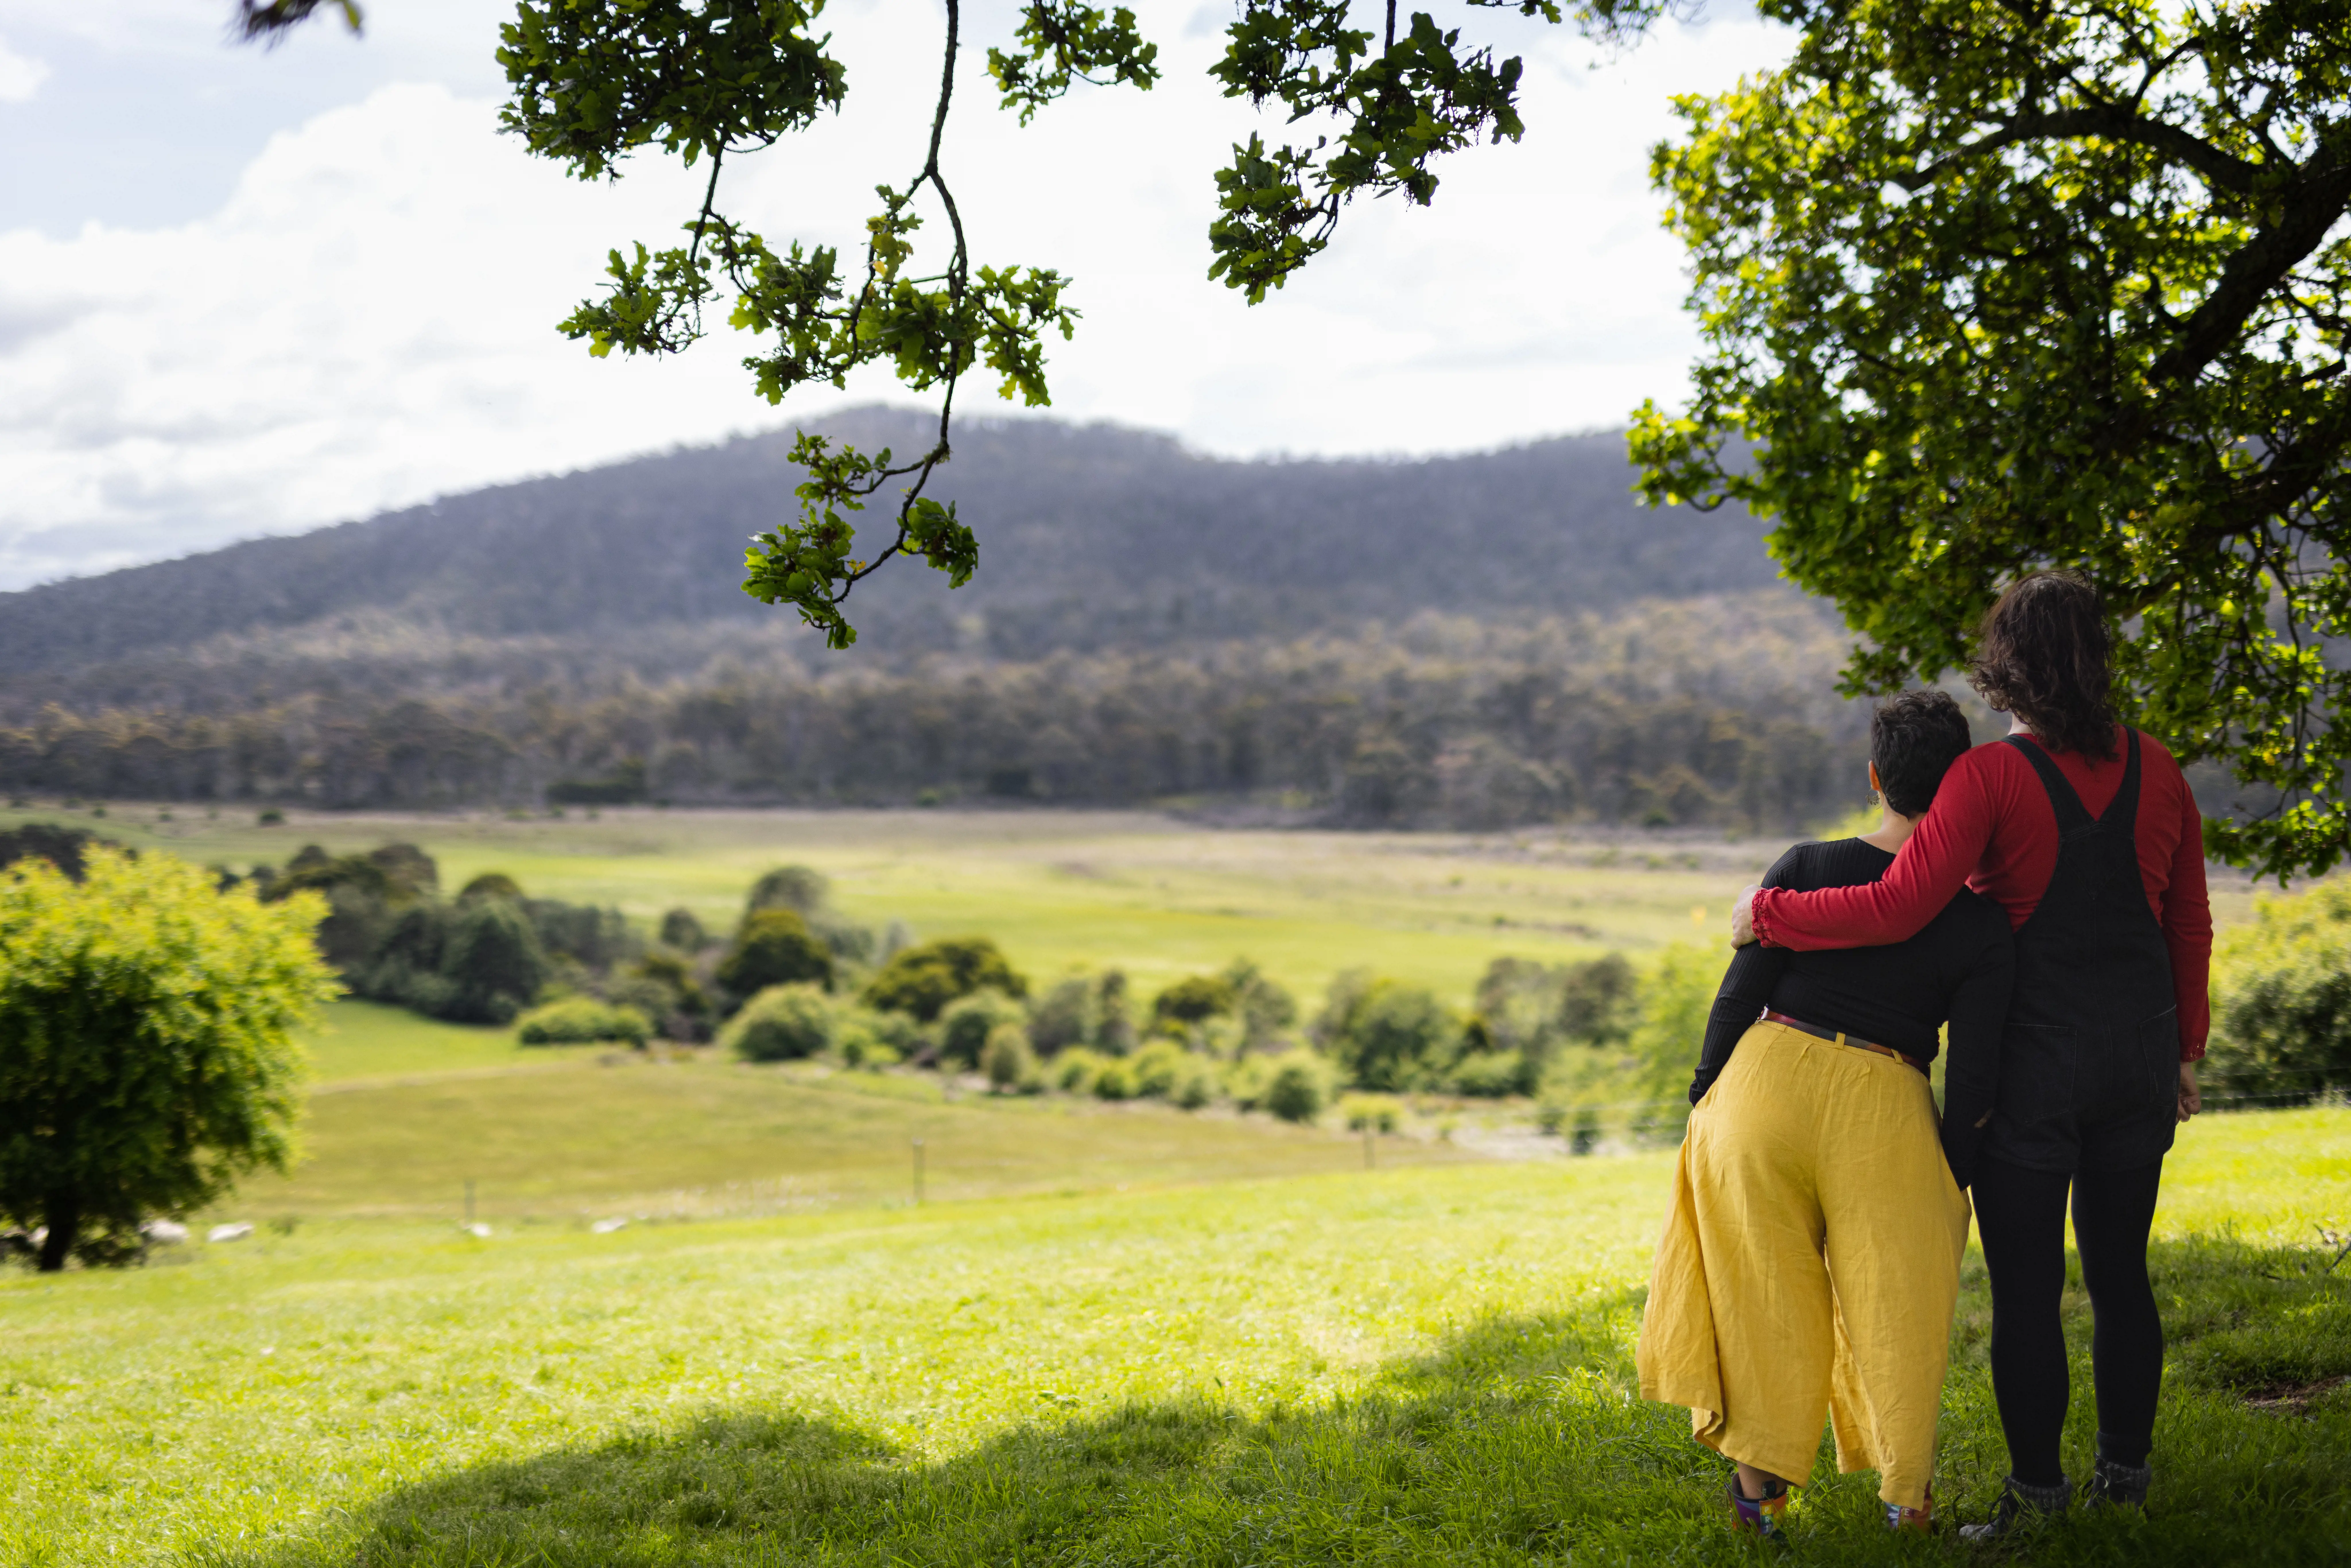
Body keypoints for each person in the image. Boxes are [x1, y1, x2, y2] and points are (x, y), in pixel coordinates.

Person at [1731, 570, 2210, 1537]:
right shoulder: (2163, 771)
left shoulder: (1988, 778)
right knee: (2123, 1275)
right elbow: (2188, 924)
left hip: (2033, 1068)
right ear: (2100, 659)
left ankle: (2036, 1501)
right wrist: (2186, 1052)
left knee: (2029, 1288)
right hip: (2140, 1055)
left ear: (2010, 669)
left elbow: (1901, 902)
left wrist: (1769, 915)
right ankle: (2126, 1482)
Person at [1639, 690, 2011, 1539]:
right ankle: (1905, 1501)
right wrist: (1951, 1170)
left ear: (1875, 777)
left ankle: (1756, 1498)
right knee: (1901, 1303)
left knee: (1760, 1292)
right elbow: (1978, 1068)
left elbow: (1739, 996)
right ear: (1962, 790)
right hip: (1887, 1101)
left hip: (1763, 1087)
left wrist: (1707, 1101)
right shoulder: (1982, 924)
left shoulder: (1805, 866)